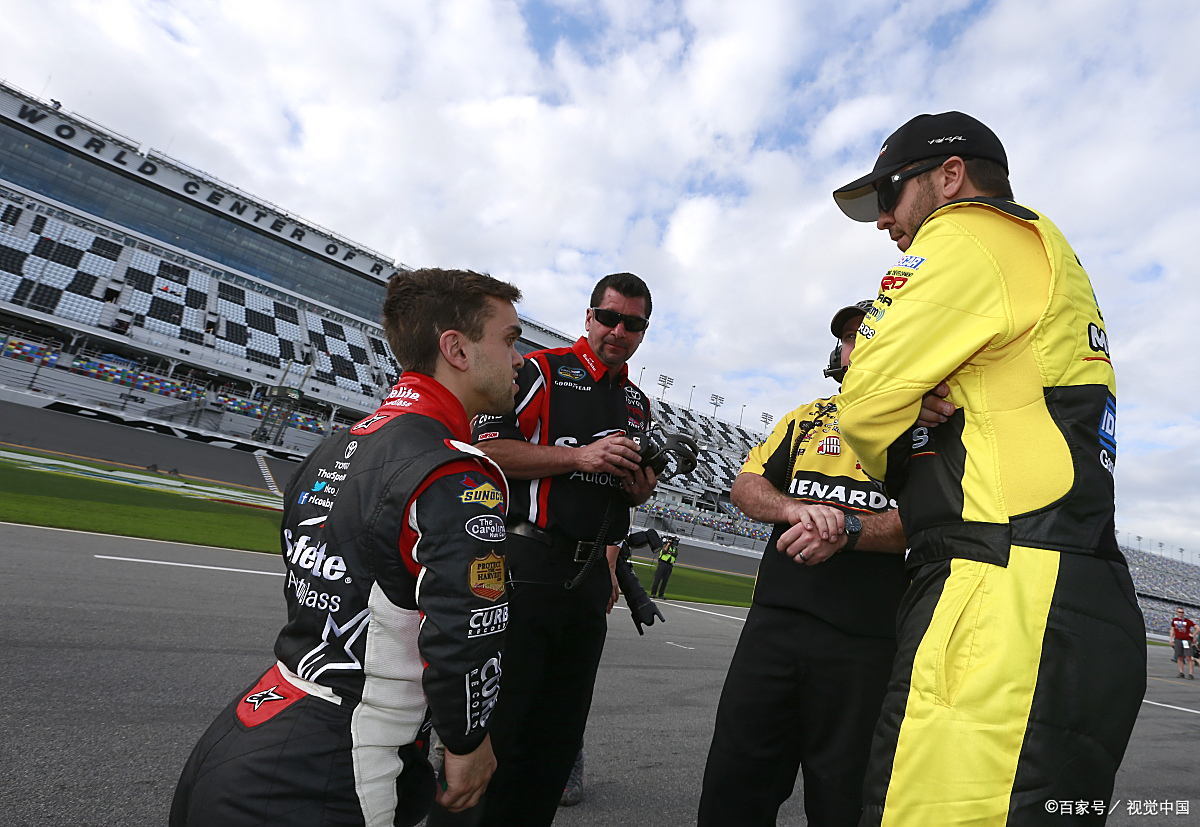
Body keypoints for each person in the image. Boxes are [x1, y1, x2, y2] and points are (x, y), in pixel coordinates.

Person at [832, 111, 1146, 825]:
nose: (883, 220)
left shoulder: (968, 231)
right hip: (1065, 590)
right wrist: (922, 400)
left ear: (950, 177)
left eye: (889, 193)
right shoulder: (1041, 250)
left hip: (1001, 596)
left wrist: (905, 411)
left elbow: (864, 400)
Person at [169, 269, 525, 826]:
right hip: (333, 767)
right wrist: (467, 739)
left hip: (253, 726)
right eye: (508, 339)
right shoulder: (456, 470)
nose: (519, 358)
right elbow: (465, 629)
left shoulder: (336, 445)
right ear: (455, 349)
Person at [697, 300, 909, 827]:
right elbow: (745, 485)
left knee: (843, 802)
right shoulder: (807, 417)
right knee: (733, 788)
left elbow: (930, 519)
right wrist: (795, 508)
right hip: (774, 628)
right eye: (848, 337)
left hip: (864, 644)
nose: (854, 345)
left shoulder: (921, 426)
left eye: (868, 334)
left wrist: (847, 530)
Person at [459, 272, 659, 826]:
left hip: (591, 578)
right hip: (526, 568)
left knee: (556, 744)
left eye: (633, 324)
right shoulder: (539, 370)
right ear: (589, 315)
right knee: (499, 731)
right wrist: (578, 458)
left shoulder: (638, 403)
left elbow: (622, 495)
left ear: (643, 331)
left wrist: (637, 488)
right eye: (609, 317)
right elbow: (487, 449)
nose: (618, 331)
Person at [1170, 607, 1197, 679]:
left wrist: (1193, 635)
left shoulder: (1187, 621)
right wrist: (1171, 639)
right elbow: (1172, 630)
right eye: (1179, 612)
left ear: (1184, 613)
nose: (1181, 614)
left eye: (1182, 612)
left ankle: (1191, 673)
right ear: (1177, 612)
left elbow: (1197, 628)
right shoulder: (1174, 620)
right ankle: (1181, 672)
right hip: (1178, 640)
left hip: (1186, 641)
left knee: (1188, 657)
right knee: (1179, 656)